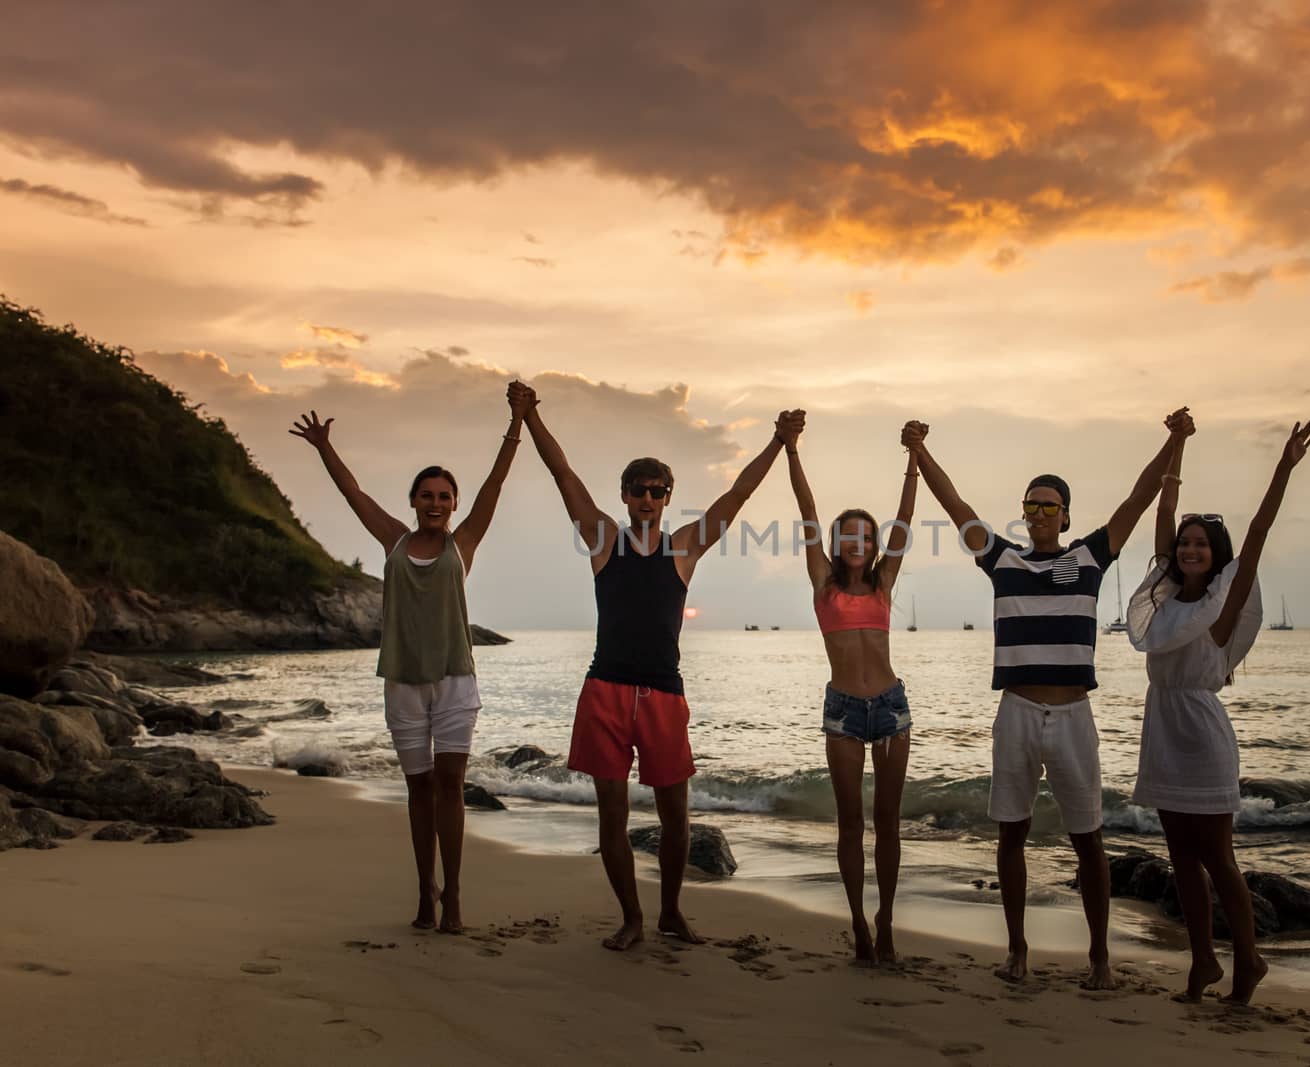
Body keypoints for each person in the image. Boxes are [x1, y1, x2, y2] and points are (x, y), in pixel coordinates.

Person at [905, 408, 1193, 987]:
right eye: (1031, 505)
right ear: (1023, 512)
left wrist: (1172, 441)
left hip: (1072, 715)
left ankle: (1099, 959)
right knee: (1012, 832)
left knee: (1088, 838)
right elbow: (955, 506)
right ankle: (1016, 949)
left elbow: (1138, 500)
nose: (1039, 514)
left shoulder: (1089, 557)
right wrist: (918, 452)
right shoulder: (1001, 559)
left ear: (1065, 515)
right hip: (1016, 711)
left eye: (1049, 506)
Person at [514, 380, 793, 950]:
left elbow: (736, 496)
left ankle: (669, 912)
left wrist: (777, 441)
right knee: (611, 818)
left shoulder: (684, 547)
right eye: (639, 490)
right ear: (623, 495)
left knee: (677, 819)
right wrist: (530, 417)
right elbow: (563, 476)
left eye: (658, 491)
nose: (647, 498)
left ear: (668, 497)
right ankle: (632, 919)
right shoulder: (603, 541)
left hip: (664, 695)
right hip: (607, 690)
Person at [289, 388, 530, 934]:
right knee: (418, 789)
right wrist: (325, 448)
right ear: (414, 502)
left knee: (450, 787)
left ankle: (456, 897)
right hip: (401, 684)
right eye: (427, 495)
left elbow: (494, 486)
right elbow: (353, 493)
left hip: (454, 684)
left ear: (453, 504)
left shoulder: (462, 545)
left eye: (445, 496)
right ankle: (426, 890)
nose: (437, 503)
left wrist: (516, 423)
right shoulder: (393, 542)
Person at [1128, 418, 1310, 1004]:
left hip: (1203, 736)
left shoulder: (1222, 604)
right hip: (1162, 727)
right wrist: (1178, 443)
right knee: (1180, 858)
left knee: (1219, 858)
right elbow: (1165, 508)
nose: (1188, 549)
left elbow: (1259, 531)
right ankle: (1202, 963)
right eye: (1184, 543)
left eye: (1200, 545)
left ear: (1215, 556)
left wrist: (1282, 467)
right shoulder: (1163, 602)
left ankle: (1249, 961)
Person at [779, 409, 917, 964]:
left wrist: (912, 459)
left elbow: (906, 519)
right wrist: (791, 449)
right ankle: (858, 921)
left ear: (873, 543)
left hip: (890, 708)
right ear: (836, 543)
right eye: (848, 536)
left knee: (887, 820)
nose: (856, 543)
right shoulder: (822, 582)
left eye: (865, 536)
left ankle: (886, 920)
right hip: (842, 712)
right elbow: (807, 511)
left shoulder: (885, 582)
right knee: (850, 822)